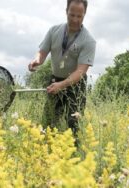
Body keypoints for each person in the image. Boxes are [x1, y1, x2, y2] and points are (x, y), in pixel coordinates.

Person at [28, 0, 96, 146]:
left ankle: (73, 157)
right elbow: (42, 52)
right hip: (55, 80)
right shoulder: (54, 31)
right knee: (49, 120)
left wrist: (63, 85)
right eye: (72, 15)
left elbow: (81, 71)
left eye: (79, 16)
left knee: (73, 122)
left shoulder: (89, 40)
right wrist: (37, 61)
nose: (75, 20)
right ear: (66, 11)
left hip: (76, 85)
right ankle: (45, 152)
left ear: (84, 14)